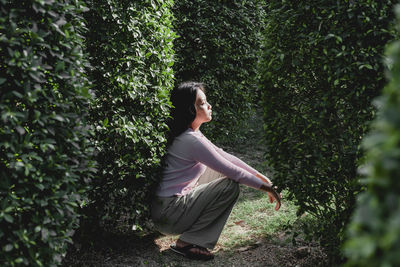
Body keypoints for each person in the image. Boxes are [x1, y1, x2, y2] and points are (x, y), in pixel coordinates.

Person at [151, 81, 281, 261]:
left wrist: (262, 177)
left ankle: (190, 239)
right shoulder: (190, 140)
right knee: (230, 186)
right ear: (190, 110)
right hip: (169, 214)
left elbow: (226, 158)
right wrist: (267, 188)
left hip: (165, 211)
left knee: (222, 174)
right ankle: (188, 242)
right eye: (202, 103)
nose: (209, 105)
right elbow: (233, 172)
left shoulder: (191, 134)